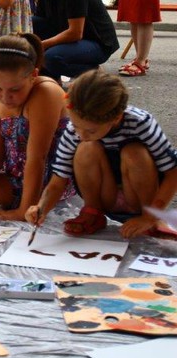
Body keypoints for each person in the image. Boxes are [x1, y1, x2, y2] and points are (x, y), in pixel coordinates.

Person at [25, 69, 177, 238]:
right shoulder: (74, 131)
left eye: (91, 130)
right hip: (106, 195)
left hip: (139, 198)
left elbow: (173, 172)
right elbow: (58, 179)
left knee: (133, 152)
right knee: (86, 148)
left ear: (116, 118)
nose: (80, 134)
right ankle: (93, 212)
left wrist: (150, 217)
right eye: (75, 125)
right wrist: (41, 207)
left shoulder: (140, 123)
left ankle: (153, 220)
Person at [0, 34, 71, 221]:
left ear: (33, 75)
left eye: (15, 90)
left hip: (50, 170)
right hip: (17, 156)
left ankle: (23, 193)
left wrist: (23, 211)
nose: (5, 97)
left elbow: (38, 158)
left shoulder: (45, 94)